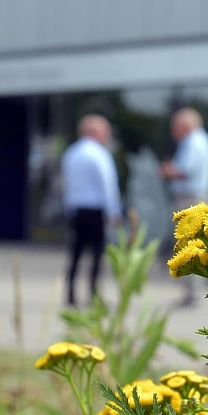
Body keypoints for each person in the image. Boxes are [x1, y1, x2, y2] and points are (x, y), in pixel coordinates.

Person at [61, 115, 122, 306]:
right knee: (97, 255)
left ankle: (70, 294)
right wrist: (114, 211)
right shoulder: (100, 154)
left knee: (76, 253)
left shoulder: (71, 153)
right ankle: (93, 295)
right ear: (95, 132)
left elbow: (66, 184)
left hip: (76, 210)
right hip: (96, 211)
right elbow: (108, 185)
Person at [160, 107, 208, 307]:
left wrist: (167, 171)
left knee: (190, 244)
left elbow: (184, 171)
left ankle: (193, 293)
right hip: (196, 196)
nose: (173, 131)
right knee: (196, 243)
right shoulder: (202, 140)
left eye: (174, 126)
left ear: (184, 125)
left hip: (189, 198)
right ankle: (193, 292)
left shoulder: (192, 141)